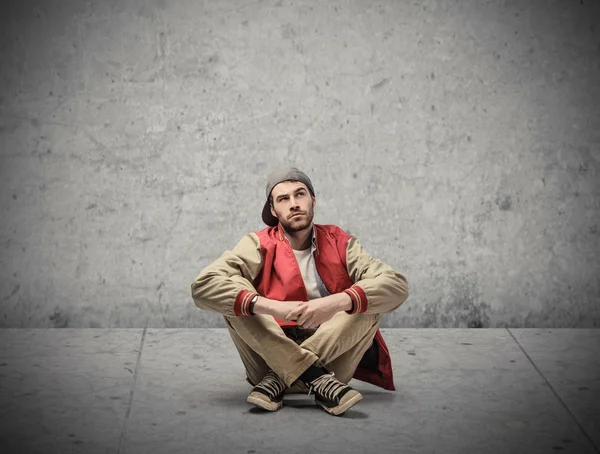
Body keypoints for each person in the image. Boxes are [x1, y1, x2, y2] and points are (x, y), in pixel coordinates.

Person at [191, 167, 409, 416]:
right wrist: (272, 306)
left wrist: (335, 303)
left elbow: (396, 285)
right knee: (235, 291)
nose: (294, 204)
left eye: (300, 195)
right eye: (283, 199)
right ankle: (312, 377)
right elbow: (203, 285)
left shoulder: (339, 241)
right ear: (273, 210)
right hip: (270, 354)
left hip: (331, 360)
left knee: (368, 300)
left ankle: (282, 378)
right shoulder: (257, 243)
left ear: (313, 200)